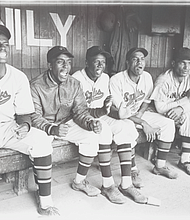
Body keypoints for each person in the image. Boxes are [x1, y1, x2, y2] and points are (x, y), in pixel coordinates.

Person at [72, 45, 147, 204]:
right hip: (81, 117)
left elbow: (106, 108)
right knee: (104, 131)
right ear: (87, 63)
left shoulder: (105, 78)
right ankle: (108, 184)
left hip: (100, 115)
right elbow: (76, 111)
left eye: (103, 62)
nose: (100, 65)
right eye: (96, 61)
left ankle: (126, 184)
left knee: (126, 126)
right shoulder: (76, 78)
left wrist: (116, 112)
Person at [30, 46, 103, 201]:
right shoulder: (36, 85)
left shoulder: (74, 84)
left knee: (91, 137)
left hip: (65, 124)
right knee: (40, 144)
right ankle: (42, 193)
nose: (66, 67)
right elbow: (34, 116)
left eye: (68, 62)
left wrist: (91, 123)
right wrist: (51, 128)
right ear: (50, 65)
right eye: (60, 62)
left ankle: (79, 182)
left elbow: (80, 112)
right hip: (44, 126)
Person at [0, 25, 59, 216]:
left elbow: (24, 112)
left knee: (41, 140)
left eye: (5, 44)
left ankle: (45, 202)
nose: (3, 47)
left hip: (8, 128)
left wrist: (25, 126)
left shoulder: (17, 76)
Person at [110, 47, 178, 179]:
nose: (139, 63)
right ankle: (133, 170)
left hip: (139, 113)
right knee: (128, 130)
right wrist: (143, 123)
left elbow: (147, 100)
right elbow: (120, 111)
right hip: (121, 116)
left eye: (142, 59)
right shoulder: (116, 80)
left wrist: (140, 115)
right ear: (127, 63)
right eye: (135, 59)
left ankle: (160, 166)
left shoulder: (146, 77)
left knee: (168, 124)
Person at [151, 47, 190, 175]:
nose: (186, 67)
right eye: (183, 63)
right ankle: (183, 159)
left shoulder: (188, 76)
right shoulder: (164, 80)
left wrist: (181, 108)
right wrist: (182, 105)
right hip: (159, 112)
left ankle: (185, 158)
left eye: (189, 63)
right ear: (173, 63)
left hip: (176, 111)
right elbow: (160, 108)